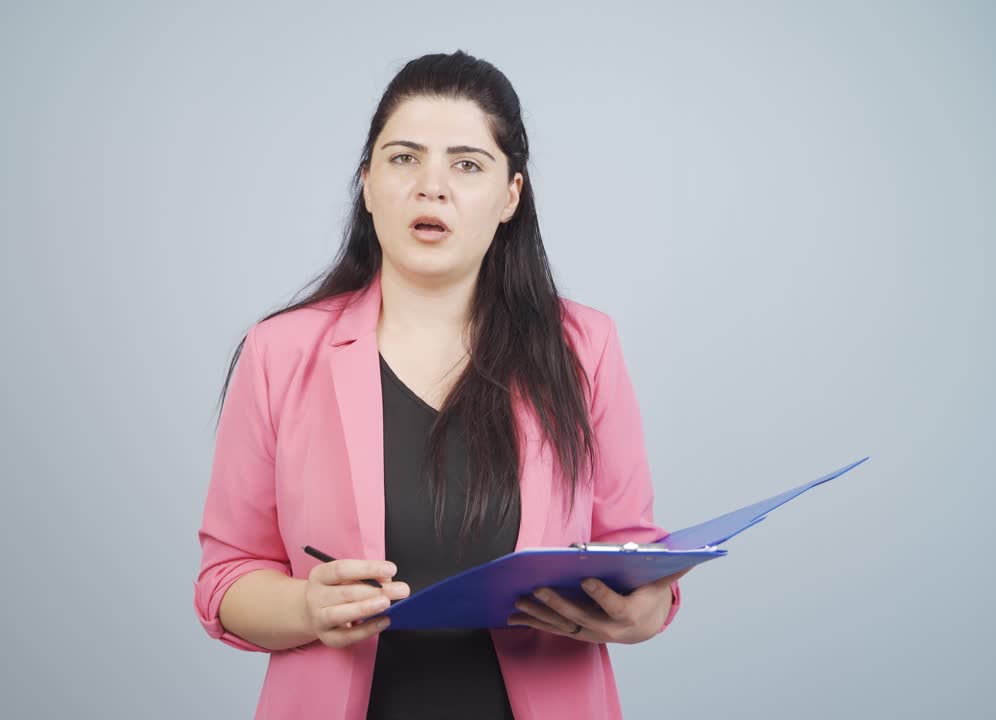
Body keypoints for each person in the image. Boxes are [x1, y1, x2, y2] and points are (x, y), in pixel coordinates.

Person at [193, 50, 688, 720]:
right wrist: (306, 606)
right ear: (366, 185)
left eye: (467, 164)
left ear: (511, 195)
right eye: (403, 159)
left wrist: (635, 611)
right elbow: (226, 578)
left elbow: (639, 561)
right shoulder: (279, 351)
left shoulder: (585, 347)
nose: (432, 186)